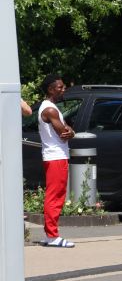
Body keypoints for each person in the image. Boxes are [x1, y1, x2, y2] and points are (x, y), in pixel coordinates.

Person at [38, 75, 75, 248]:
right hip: (56, 157)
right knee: (55, 196)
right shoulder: (50, 110)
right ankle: (52, 236)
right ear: (51, 89)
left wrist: (70, 131)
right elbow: (64, 134)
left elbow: (69, 130)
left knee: (55, 195)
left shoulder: (51, 108)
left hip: (56, 156)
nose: (63, 89)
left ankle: (50, 235)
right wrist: (70, 132)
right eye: (60, 87)